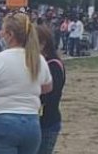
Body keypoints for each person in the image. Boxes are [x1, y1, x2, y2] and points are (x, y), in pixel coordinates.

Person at [0, 13, 52, 154]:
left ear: (10, 35)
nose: (0, 34)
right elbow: (47, 87)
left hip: (1, 120)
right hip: (31, 122)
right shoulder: (38, 60)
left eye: (2, 31)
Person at [36, 25, 66, 154]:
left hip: (47, 122)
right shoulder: (38, 62)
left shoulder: (53, 65)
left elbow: (51, 95)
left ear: (42, 44)